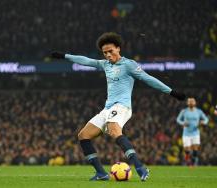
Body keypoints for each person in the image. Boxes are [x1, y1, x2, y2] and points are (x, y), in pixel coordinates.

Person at [51, 32, 186, 181]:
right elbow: (86, 61)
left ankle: (140, 167)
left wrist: (171, 92)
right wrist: (64, 56)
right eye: (105, 52)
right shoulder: (105, 64)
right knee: (83, 135)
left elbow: (149, 79)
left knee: (114, 129)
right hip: (107, 108)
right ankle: (101, 173)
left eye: (110, 51)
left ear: (118, 48)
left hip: (122, 106)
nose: (108, 55)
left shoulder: (129, 64)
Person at [176, 97, 209, 166]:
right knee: (187, 149)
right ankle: (188, 158)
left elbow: (206, 119)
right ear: (187, 103)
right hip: (186, 133)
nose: (191, 102)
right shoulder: (184, 111)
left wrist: (203, 122)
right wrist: (183, 123)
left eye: (192, 101)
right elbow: (178, 119)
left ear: (195, 103)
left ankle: (193, 163)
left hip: (195, 133)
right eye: (189, 101)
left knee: (195, 149)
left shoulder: (199, 111)